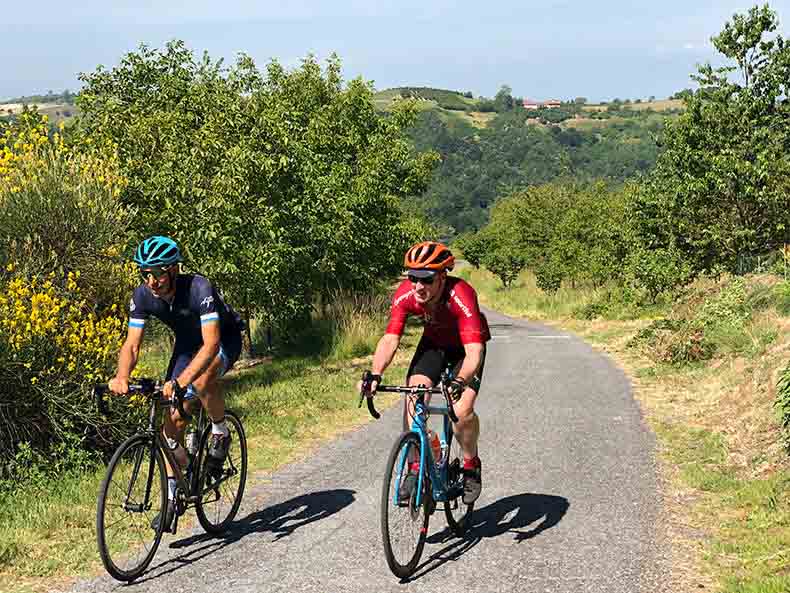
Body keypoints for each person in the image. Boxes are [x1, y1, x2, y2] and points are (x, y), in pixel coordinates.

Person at [109, 235, 244, 531]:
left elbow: (210, 346)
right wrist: (121, 377)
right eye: (145, 273)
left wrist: (181, 381)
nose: (152, 280)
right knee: (171, 421)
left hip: (223, 338)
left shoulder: (199, 288)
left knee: (205, 378)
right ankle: (173, 493)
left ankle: (220, 432)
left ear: (173, 270)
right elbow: (132, 345)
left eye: (158, 272)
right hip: (186, 345)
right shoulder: (143, 296)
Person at [359, 241, 490, 504]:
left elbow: (474, 352)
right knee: (413, 399)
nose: (418, 286)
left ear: (442, 277)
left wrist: (459, 381)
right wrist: (375, 374)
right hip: (433, 346)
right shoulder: (407, 295)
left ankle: (470, 464)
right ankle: (416, 468)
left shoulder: (461, 295)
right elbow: (390, 339)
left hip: (465, 350)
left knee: (461, 410)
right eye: (413, 277)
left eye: (427, 279)